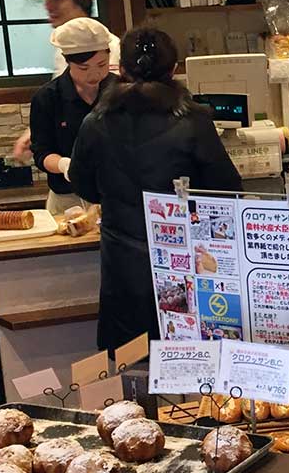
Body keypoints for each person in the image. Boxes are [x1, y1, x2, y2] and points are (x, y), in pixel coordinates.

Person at [69, 26, 242, 353]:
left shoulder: (96, 121)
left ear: (121, 69)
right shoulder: (193, 120)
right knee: (191, 354)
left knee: (130, 357)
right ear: (173, 69)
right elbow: (227, 189)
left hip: (123, 262)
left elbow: (84, 186)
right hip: (187, 260)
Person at [10, 0, 119, 161]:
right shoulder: (64, 49)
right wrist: (33, 133)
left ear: (81, 1)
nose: (48, 6)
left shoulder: (107, 47)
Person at [28, 18, 117, 215]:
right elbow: (42, 153)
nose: (94, 74)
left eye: (102, 64)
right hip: (67, 199)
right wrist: (64, 165)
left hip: (116, 195)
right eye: (84, 68)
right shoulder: (47, 97)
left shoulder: (121, 90)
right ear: (67, 61)